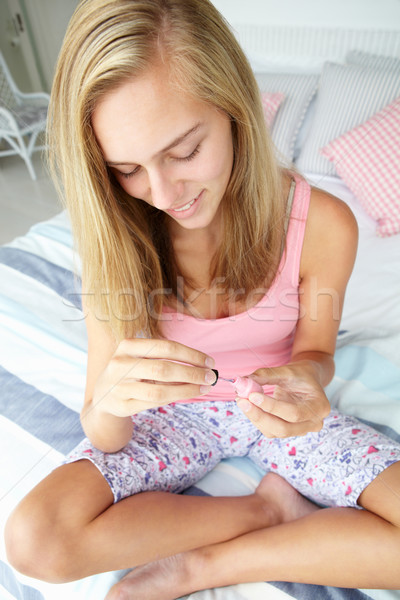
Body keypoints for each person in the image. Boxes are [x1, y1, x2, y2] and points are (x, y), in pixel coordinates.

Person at [5, 0, 400, 598]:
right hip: (170, 419)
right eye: (128, 168)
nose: (164, 194)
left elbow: (318, 352)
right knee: (36, 543)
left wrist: (304, 380)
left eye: (185, 151)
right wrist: (112, 403)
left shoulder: (323, 223)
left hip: (274, 410)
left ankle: (209, 565)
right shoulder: (115, 235)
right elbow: (106, 429)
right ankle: (263, 513)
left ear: (235, 109)